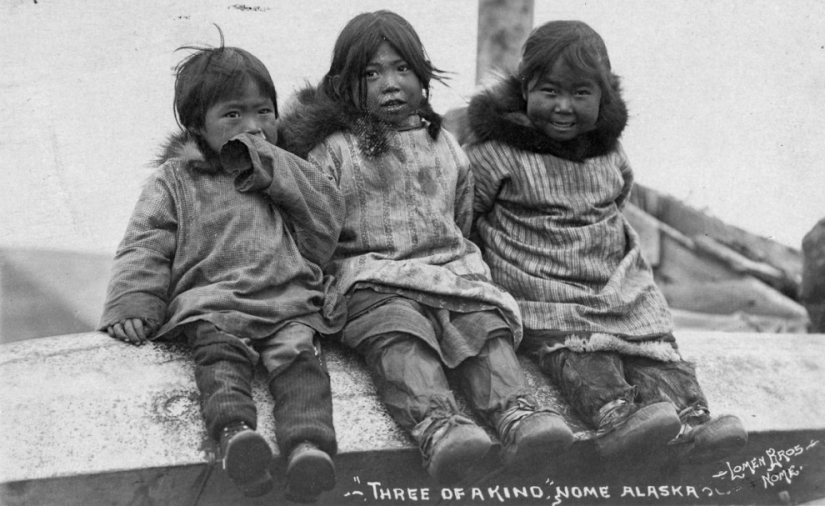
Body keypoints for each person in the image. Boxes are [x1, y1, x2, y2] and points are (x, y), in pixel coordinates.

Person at [277, 10, 574, 484]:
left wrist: (459, 265)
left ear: (422, 73)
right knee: (400, 334)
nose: (389, 84)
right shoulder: (333, 149)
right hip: (372, 278)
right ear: (345, 84)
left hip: (447, 268)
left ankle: (518, 413)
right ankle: (437, 424)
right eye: (370, 74)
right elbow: (315, 229)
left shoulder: (445, 145)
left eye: (402, 69)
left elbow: (459, 216)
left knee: (483, 327)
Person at [463, 20, 747, 464]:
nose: (563, 106)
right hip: (544, 288)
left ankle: (692, 421)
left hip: (613, 285)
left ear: (603, 96)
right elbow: (465, 215)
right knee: (580, 355)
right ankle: (617, 419)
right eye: (549, 91)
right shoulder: (496, 152)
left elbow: (618, 201)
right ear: (524, 90)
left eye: (581, 94)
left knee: (654, 353)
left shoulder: (609, 153)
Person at [99, 38, 345, 502]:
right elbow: (146, 242)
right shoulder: (175, 180)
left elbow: (325, 224)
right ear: (198, 126)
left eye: (263, 112)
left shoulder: (289, 169)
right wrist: (134, 301)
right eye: (233, 115)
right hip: (214, 302)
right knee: (219, 360)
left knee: (301, 363)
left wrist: (276, 170)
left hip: (287, 299)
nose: (253, 126)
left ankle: (308, 448)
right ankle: (236, 437)